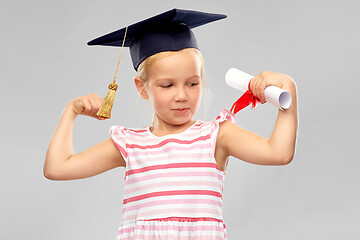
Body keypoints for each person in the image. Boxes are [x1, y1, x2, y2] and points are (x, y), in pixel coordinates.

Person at [44, 9, 298, 240]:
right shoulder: (130, 145)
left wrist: (288, 89)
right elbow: (58, 168)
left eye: (192, 83)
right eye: (167, 85)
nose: (182, 95)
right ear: (142, 88)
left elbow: (279, 153)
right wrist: (71, 111)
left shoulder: (216, 136)